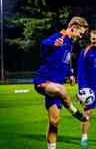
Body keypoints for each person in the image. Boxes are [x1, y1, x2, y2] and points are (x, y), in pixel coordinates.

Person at [33, 16, 89, 149]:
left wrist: (70, 73)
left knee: (54, 121)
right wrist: (53, 44)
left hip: (57, 82)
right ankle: (75, 112)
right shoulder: (61, 36)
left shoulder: (70, 42)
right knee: (60, 90)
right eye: (80, 33)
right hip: (43, 80)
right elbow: (44, 43)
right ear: (74, 27)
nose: (81, 36)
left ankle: (51, 147)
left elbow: (67, 59)